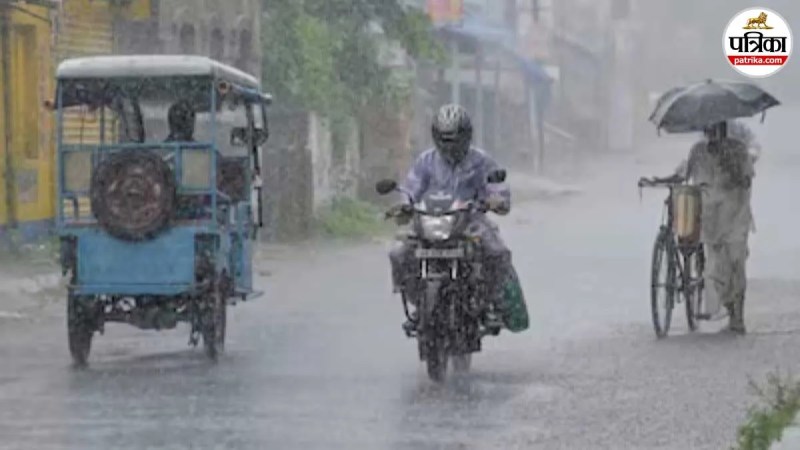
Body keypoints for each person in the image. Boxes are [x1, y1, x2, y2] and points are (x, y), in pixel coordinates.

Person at [389, 104, 516, 331]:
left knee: (498, 253)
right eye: (445, 138)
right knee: (399, 254)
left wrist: (496, 199)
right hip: (431, 221)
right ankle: (418, 303)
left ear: (466, 136)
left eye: (455, 138)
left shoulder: (481, 161)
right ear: (436, 136)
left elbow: (496, 186)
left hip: (471, 221)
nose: (450, 144)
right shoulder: (426, 161)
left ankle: (490, 304)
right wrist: (403, 205)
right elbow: (411, 187)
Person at [643, 121, 755, 334]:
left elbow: (747, 180)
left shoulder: (738, 149)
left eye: (716, 129)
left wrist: (730, 167)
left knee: (736, 264)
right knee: (715, 270)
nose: (712, 133)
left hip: (735, 216)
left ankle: (737, 316)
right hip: (711, 219)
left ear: (723, 128)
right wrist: (659, 180)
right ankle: (729, 307)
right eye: (709, 129)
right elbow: (684, 174)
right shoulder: (698, 150)